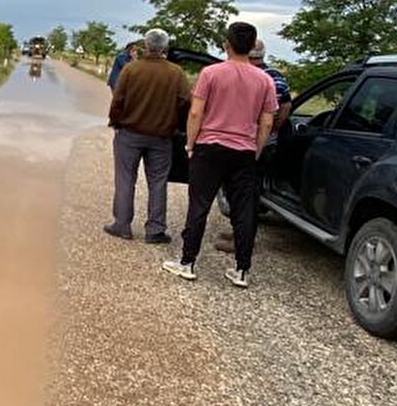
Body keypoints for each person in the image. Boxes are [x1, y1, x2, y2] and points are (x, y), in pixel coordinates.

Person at [162, 20, 278, 287]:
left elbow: (195, 112)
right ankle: (242, 270)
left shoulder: (211, 73)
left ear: (226, 45)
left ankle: (187, 262)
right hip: (244, 151)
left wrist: (191, 144)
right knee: (244, 211)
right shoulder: (265, 80)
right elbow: (268, 121)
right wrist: (256, 149)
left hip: (210, 147)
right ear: (252, 47)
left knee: (199, 205)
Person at [104, 28, 192, 244]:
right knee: (158, 182)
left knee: (125, 178)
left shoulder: (131, 69)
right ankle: (155, 230)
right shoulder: (176, 73)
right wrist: (179, 128)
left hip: (129, 134)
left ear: (145, 46)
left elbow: (118, 100)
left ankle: (122, 225)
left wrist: (115, 122)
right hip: (162, 138)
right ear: (165, 48)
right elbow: (185, 104)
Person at [214, 39, 291, 253]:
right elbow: (285, 105)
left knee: (243, 193)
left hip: (244, 141)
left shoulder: (246, 76)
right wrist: (276, 128)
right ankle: (239, 232)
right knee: (248, 191)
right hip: (265, 144)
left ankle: (242, 240)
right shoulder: (275, 76)